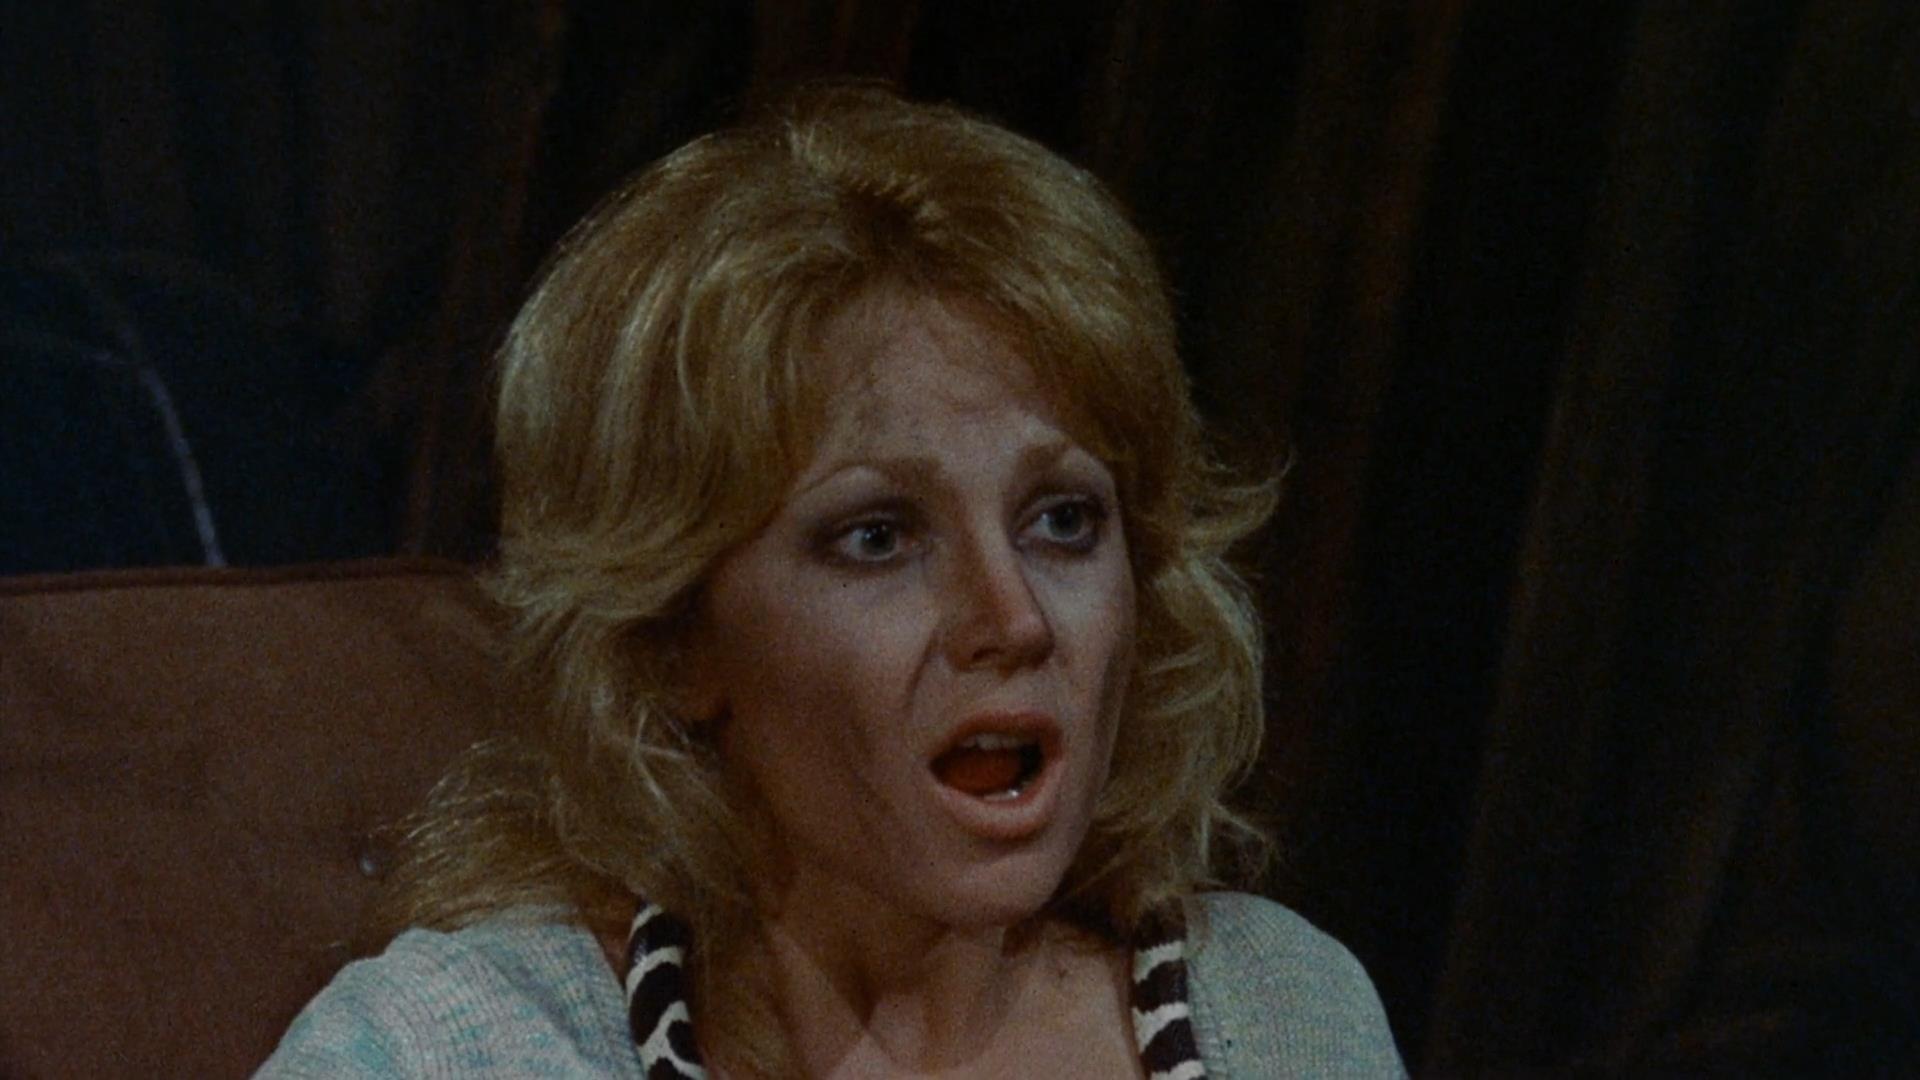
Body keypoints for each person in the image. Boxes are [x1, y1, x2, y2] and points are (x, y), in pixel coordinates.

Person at [259, 84, 1403, 1078]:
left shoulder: (1285, 1015)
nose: (1012, 619)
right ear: (674, 638)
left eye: (1062, 521)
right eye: (878, 537)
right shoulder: (457, 1048)